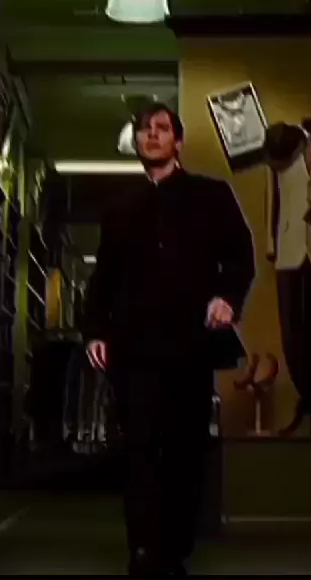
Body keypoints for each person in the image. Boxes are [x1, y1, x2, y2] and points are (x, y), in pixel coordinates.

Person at [82, 102, 255, 577]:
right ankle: (142, 551)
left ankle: (174, 550)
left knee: (184, 450)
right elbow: (104, 278)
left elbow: (241, 257)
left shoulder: (211, 196)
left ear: (178, 141)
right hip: (133, 349)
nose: (152, 134)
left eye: (162, 128)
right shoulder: (119, 208)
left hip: (189, 347)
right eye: (144, 129)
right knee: (139, 450)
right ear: (137, 142)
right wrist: (95, 331)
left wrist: (227, 298)